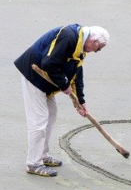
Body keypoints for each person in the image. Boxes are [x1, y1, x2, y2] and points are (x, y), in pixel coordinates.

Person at [14, 24, 109, 177]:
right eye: (99, 48)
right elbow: (48, 63)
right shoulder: (69, 37)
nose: (97, 52)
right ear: (93, 41)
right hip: (34, 77)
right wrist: (64, 85)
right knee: (39, 121)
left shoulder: (79, 45)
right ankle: (33, 163)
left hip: (46, 82)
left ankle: (42, 156)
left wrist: (80, 101)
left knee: (51, 115)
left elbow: (76, 72)